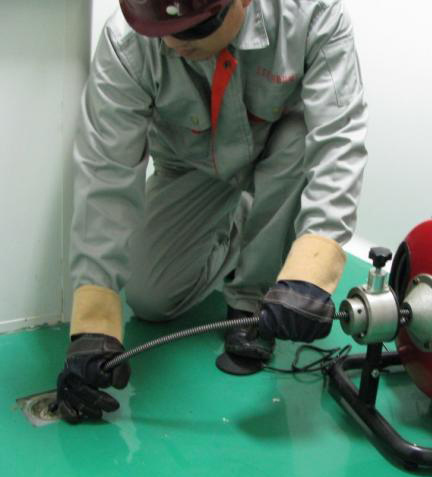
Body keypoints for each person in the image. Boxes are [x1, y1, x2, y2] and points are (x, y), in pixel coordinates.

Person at [54, 0, 368, 423]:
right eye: (161, 29)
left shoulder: (314, 15)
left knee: (300, 138)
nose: (172, 42)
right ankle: (240, 229)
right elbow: (104, 174)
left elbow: (338, 141)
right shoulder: (126, 43)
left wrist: (312, 273)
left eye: (192, 28)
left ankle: (251, 299)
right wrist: (92, 325)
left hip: (281, 157)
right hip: (193, 167)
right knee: (150, 298)